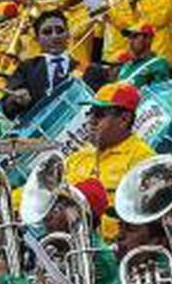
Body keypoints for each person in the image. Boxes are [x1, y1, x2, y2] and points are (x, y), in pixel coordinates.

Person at [64, 82, 155, 240]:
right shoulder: (77, 157)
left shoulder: (143, 159)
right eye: (90, 113)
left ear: (124, 119)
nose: (91, 121)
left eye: (99, 114)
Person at [1, 10, 75, 119]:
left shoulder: (86, 68)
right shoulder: (26, 68)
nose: (55, 36)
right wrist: (16, 100)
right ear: (37, 38)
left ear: (68, 34)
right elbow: (7, 109)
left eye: (60, 31)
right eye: (47, 32)